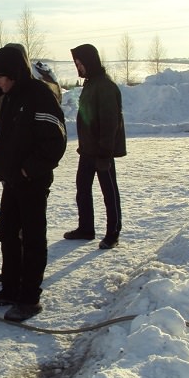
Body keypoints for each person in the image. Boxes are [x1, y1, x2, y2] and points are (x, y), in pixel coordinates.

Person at [0, 45, 67, 322]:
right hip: (12, 181)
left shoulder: (40, 97)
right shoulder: (13, 94)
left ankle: (29, 298)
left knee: (32, 239)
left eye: (0, 77)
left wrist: (28, 170)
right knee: (7, 232)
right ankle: (10, 287)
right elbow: (4, 90)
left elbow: (56, 141)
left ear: (16, 73)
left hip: (32, 182)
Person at [63, 44, 126, 250]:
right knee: (82, 189)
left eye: (80, 63)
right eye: (76, 64)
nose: (78, 67)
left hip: (101, 151)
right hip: (87, 150)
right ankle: (86, 228)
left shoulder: (105, 86)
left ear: (90, 62)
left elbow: (110, 122)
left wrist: (105, 152)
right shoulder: (91, 84)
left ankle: (113, 232)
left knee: (109, 192)